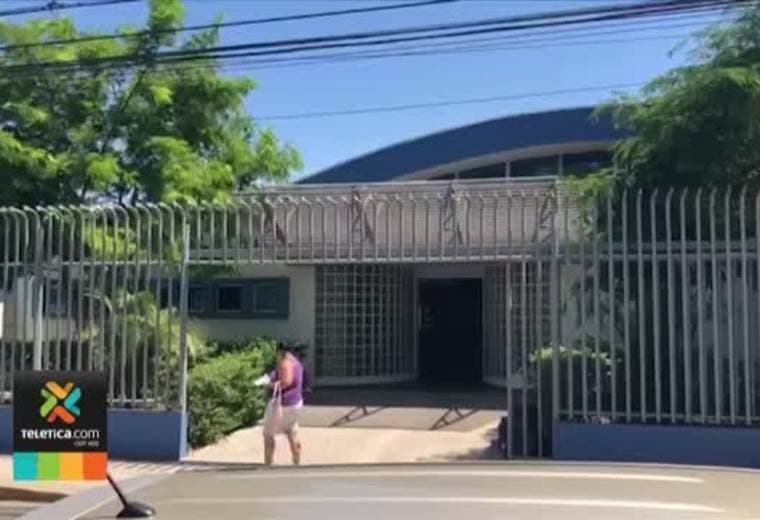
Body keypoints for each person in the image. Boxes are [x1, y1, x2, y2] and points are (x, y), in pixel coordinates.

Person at [263, 346, 304, 466]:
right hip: (295, 403)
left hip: (283, 404)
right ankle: (296, 461)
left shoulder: (286, 362)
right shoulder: (297, 363)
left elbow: (286, 382)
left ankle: (268, 464)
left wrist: (269, 385)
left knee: (268, 434)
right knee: (291, 430)